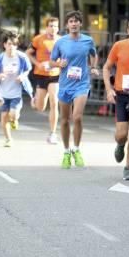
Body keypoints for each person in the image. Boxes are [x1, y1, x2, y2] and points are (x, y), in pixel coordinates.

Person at [51, 11, 99, 168]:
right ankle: (66, 152)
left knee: (77, 117)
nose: (74, 24)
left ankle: (76, 149)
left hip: (81, 84)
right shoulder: (61, 42)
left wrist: (93, 67)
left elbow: (93, 54)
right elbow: (51, 62)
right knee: (64, 120)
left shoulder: (88, 40)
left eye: (76, 21)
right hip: (65, 85)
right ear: (67, 25)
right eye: (71, 21)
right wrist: (59, 64)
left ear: (80, 24)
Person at [103, 17, 129, 181]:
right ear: (128, 30)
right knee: (122, 134)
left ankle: (128, 167)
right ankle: (120, 145)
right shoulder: (119, 46)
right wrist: (109, 89)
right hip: (121, 94)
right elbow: (107, 68)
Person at [0, 31, 32, 148]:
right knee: (4, 117)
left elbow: (28, 69)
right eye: (9, 44)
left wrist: (22, 76)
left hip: (16, 93)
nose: (12, 47)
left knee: (13, 114)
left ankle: (15, 120)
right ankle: (8, 139)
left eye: (14, 44)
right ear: (4, 45)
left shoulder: (22, 57)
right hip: (2, 93)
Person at [28, 17, 61, 144]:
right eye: (51, 26)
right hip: (41, 74)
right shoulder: (38, 39)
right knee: (40, 107)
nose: (53, 28)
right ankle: (35, 101)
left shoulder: (62, 40)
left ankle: (52, 133)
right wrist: (38, 64)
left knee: (54, 101)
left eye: (55, 26)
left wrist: (58, 64)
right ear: (46, 27)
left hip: (55, 75)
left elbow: (66, 57)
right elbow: (28, 53)